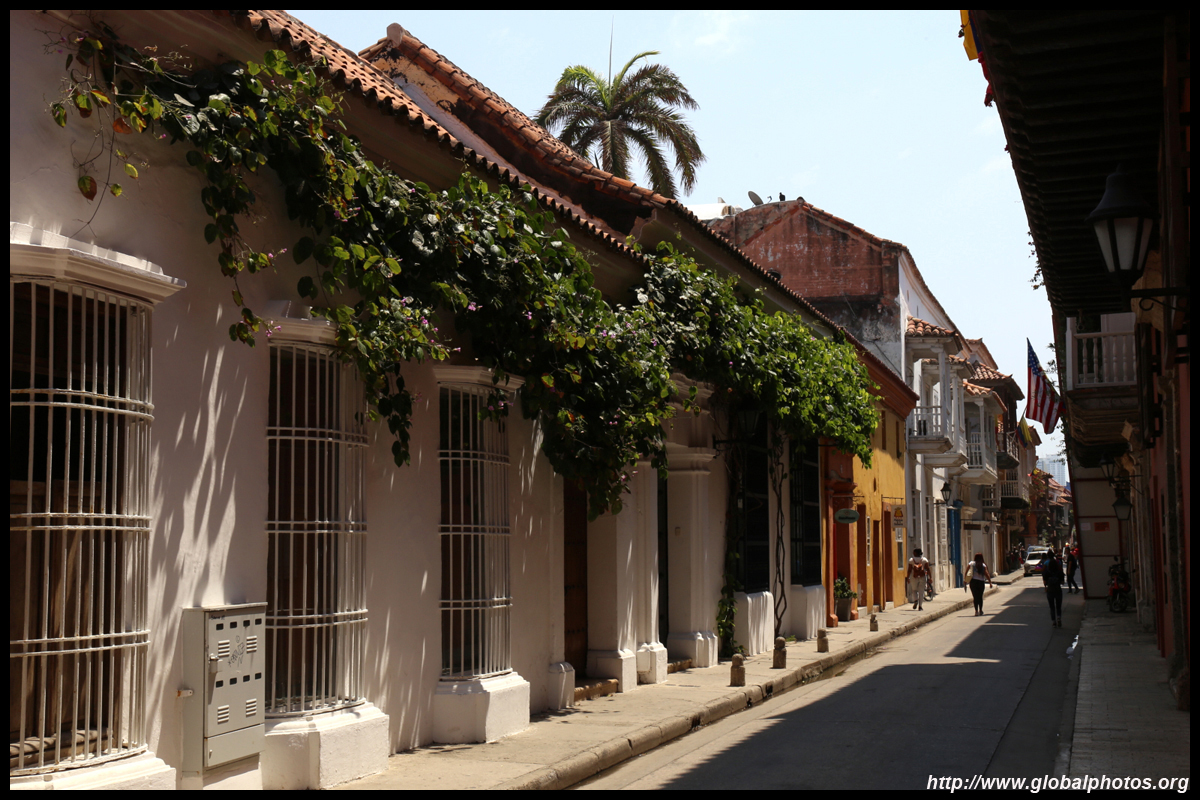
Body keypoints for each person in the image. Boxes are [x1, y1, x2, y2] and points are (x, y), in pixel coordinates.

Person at [1042, 546, 1065, 627]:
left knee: (1052, 607)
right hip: (1058, 590)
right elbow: (1062, 582)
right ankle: (1058, 617)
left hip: (1050, 590)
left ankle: (1054, 621)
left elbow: (1045, 582)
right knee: (1058, 606)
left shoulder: (1047, 572)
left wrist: (1046, 586)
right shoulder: (1059, 572)